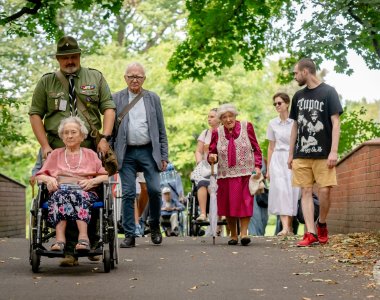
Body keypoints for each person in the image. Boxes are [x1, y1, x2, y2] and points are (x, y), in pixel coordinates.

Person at [29, 36, 115, 266]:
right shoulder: (47, 82)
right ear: (58, 59)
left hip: (89, 146)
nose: (70, 60)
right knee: (57, 191)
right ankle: (68, 250)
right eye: (65, 57)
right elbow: (35, 114)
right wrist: (45, 146)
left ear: (79, 56)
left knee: (90, 190)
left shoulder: (94, 77)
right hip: (56, 147)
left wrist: (105, 137)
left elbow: (108, 107)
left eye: (73, 56)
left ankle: (93, 242)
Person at [112, 62, 169, 248]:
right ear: (125, 78)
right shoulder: (116, 98)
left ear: (144, 79)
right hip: (125, 152)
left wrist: (163, 155)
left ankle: (153, 225)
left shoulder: (153, 98)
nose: (134, 80)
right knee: (128, 193)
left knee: (154, 190)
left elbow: (161, 129)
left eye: (138, 76)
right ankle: (129, 233)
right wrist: (111, 154)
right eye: (131, 76)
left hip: (148, 150)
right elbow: (111, 129)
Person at [288, 58, 343, 247]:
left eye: (296, 73)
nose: (294, 76)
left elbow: (336, 122)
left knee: (325, 191)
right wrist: (290, 153)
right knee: (305, 191)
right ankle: (310, 233)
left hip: (323, 153)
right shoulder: (298, 96)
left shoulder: (329, 92)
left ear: (305, 71)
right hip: (301, 154)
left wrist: (333, 151)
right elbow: (295, 126)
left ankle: (322, 223)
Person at [35, 117, 108, 253]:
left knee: (77, 194)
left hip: (84, 191)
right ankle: (60, 240)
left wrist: (92, 181)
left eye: (73, 132)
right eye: (66, 133)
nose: (69, 136)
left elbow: (105, 175)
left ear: (82, 136)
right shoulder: (55, 154)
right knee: (60, 194)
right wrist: (49, 180)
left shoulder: (90, 154)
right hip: (60, 190)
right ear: (62, 137)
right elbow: (39, 175)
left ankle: (83, 238)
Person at [208, 103, 262, 246]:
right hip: (226, 174)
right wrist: (211, 158)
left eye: (230, 116)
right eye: (224, 117)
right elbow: (212, 152)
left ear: (235, 116)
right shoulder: (216, 132)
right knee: (228, 204)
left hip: (245, 173)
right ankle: (233, 235)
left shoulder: (247, 126)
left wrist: (257, 166)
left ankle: (244, 234)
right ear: (221, 119)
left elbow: (256, 149)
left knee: (245, 202)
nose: (228, 119)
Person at [267, 92, 300, 236]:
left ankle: (291, 227)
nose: (277, 106)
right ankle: (285, 227)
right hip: (277, 160)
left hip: (293, 159)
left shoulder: (295, 122)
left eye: (279, 103)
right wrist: (268, 169)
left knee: (292, 193)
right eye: (275, 104)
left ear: (287, 104)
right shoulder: (272, 123)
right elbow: (270, 147)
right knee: (280, 192)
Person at [194, 108, 219, 221]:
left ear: (219, 118)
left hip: (221, 168)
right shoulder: (205, 133)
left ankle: (220, 214)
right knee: (202, 182)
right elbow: (198, 151)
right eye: (208, 117)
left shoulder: (224, 133)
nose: (209, 119)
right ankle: (203, 213)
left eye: (212, 117)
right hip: (206, 167)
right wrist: (200, 163)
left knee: (215, 184)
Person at [248, 157, 268, 236]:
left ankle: (260, 235)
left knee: (264, 217)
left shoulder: (261, 157)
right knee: (254, 215)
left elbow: (265, 173)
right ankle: (254, 234)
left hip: (261, 188)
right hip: (250, 187)